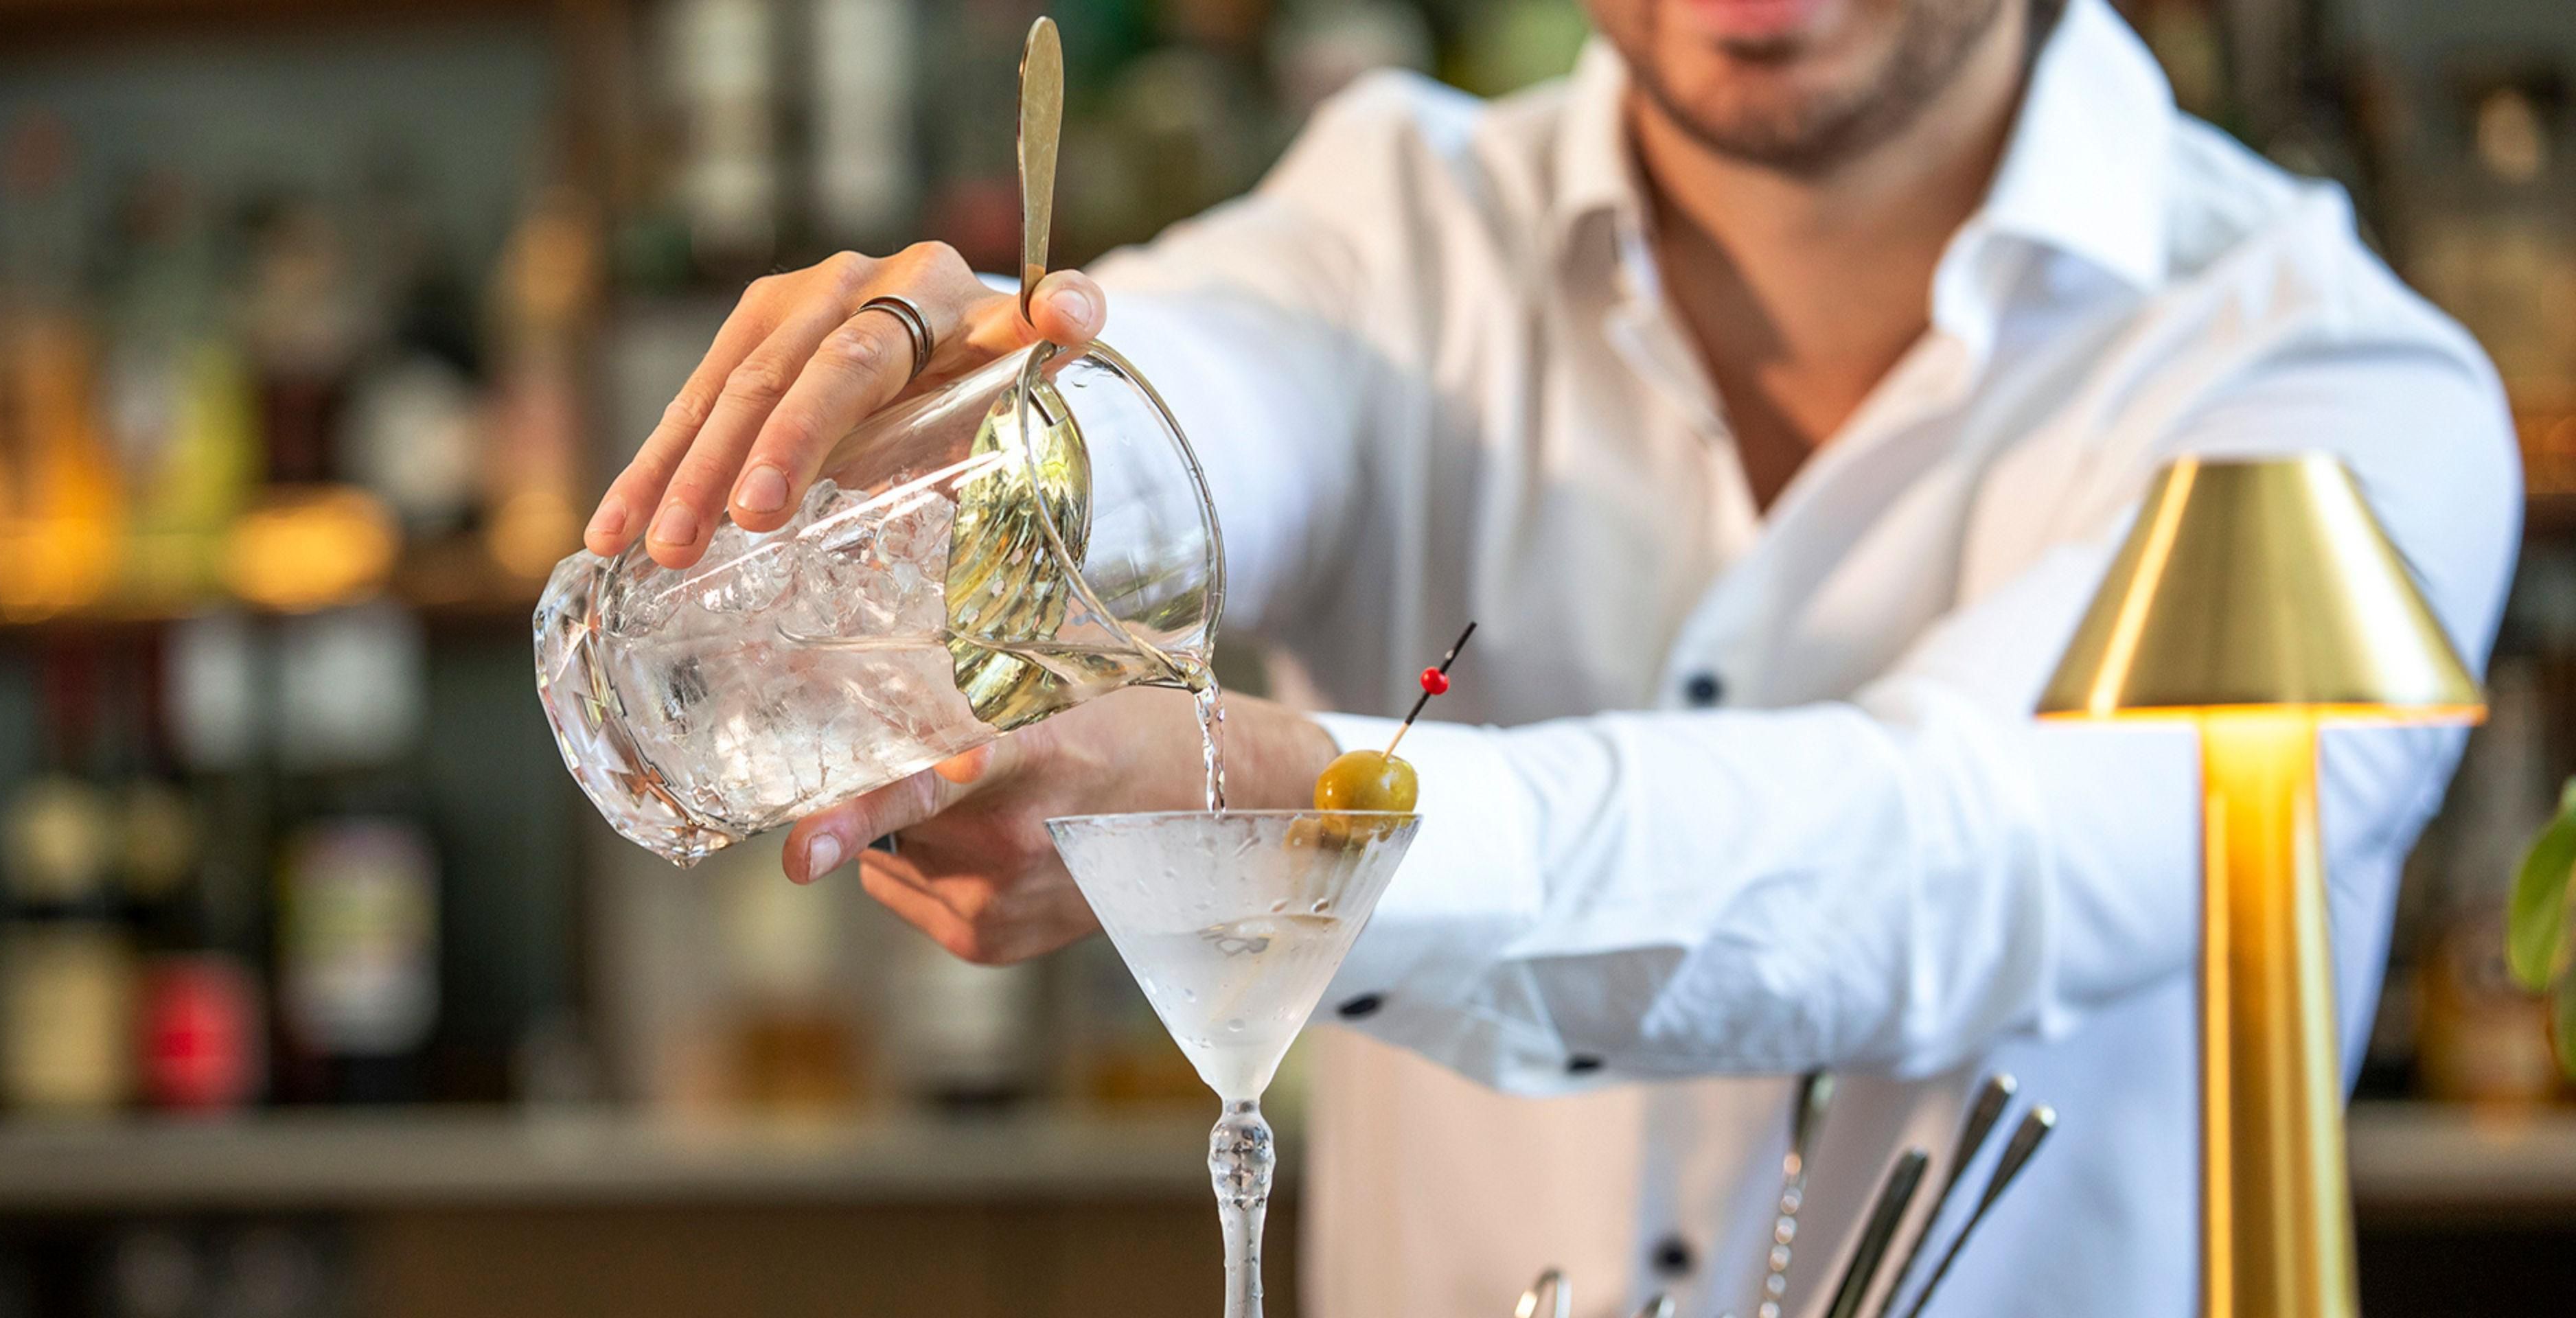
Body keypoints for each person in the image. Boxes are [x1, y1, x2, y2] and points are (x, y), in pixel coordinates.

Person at [582, 0, 2520, 1312]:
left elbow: (1959, 852)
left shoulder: (2333, 383)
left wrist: (1319, 815)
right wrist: (971, 457)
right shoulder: (1405, 222)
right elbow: (1219, 389)